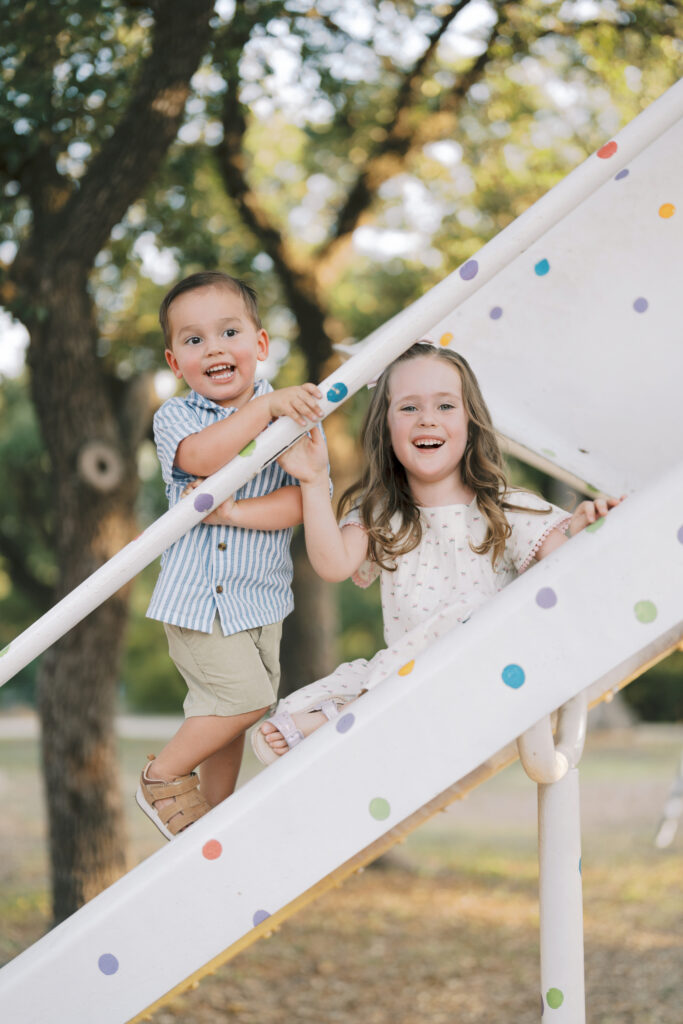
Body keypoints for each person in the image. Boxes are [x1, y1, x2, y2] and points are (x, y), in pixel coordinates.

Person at [252, 340, 621, 762]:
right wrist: (315, 481)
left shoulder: (507, 507)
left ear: (470, 421)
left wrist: (587, 528)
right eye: (409, 408)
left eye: (445, 406)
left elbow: (565, 561)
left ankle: (353, 714)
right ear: (386, 427)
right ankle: (359, 710)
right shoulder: (381, 511)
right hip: (408, 677)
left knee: (470, 616)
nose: (427, 419)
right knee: (292, 716)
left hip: (486, 673)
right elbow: (333, 565)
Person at [137, 270, 323, 839]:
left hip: (261, 601)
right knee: (245, 699)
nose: (214, 348)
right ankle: (163, 777)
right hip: (199, 602)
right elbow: (199, 458)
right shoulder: (177, 418)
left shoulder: (291, 411)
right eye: (194, 340)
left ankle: (207, 826)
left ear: (260, 345)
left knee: (227, 714)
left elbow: (301, 499)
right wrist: (264, 415)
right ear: (176, 363)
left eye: (229, 332)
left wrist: (234, 512)